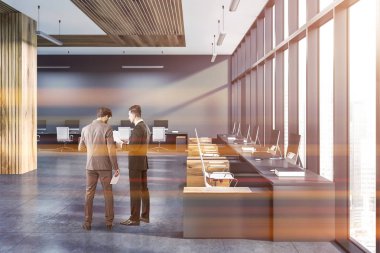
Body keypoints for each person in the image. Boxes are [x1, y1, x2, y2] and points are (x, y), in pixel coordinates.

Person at [79, 107, 120, 231]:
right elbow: (111, 150)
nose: (108, 120)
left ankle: (87, 223)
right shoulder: (107, 128)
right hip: (105, 167)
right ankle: (109, 222)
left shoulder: (85, 129)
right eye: (108, 117)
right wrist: (116, 167)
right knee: (108, 194)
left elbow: (80, 148)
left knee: (89, 194)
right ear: (105, 116)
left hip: (90, 166)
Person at [121, 105, 150, 226]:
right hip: (142, 162)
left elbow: (133, 148)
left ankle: (134, 218)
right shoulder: (146, 127)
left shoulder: (138, 128)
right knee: (144, 189)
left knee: (135, 191)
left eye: (129, 115)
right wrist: (130, 141)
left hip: (135, 164)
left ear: (134, 114)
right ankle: (144, 215)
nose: (128, 117)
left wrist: (122, 145)